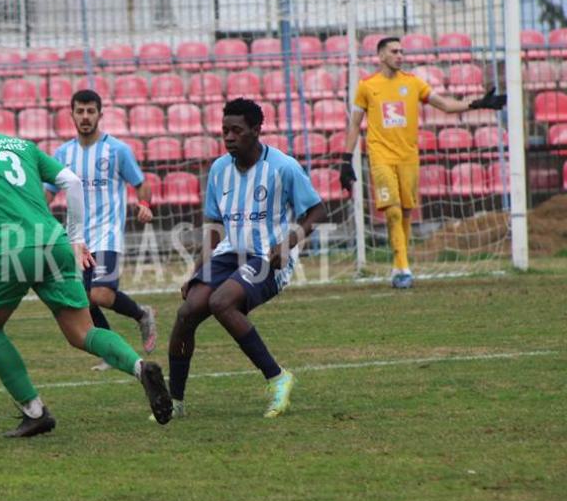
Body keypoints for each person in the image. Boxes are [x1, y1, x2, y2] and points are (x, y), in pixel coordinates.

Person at [0, 113, 173, 437]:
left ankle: (35, 411)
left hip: (12, 246)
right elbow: (71, 182)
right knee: (82, 332)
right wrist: (76, 238)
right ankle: (140, 368)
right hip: (55, 242)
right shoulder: (22, 146)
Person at [162, 98, 326, 421]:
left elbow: (317, 210)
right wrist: (197, 269)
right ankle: (174, 403)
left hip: (267, 256)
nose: (229, 137)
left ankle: (278, 377)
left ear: (256, 130)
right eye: (224, 130)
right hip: (229, 253)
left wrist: (289, 241)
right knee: (187, 312)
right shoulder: (219, 170)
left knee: (222, 302)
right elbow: (213, 226)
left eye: (236, 130)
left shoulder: (283, 167)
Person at [338, 36, 507, 289]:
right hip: (381, 156)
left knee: (406, 212)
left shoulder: (413, 83)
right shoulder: (366, 86)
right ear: (381, 55)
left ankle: (399, 266)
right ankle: (404, 268)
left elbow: (445, 105)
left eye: (402, 51)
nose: (400, 55)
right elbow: (354, 124)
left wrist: (477, 103)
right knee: (393, 210)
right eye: (394, 51)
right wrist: (345, 159)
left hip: (408, 157)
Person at [44, 90, 157, 371]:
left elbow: (142, 184)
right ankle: (110, 350)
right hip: (76, 240)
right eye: (80, 111)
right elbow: (47, 192)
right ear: (71, 115)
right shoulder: (63, 154)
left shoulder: (117, 151)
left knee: (100, 295)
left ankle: (142, 314)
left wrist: (143, 204)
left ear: (99, 115)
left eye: (90, 111)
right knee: (82, 300)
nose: (85, 117)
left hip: (107, 234)